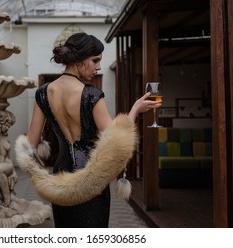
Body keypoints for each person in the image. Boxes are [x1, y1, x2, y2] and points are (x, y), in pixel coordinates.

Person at [18, 32, 161, 228]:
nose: (98, 67)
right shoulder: (92, 94)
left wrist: (40, 179)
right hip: (91, 179)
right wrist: (135, 109)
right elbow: (115, 141)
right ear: (78, 58)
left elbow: (30, 144)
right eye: (95, 60)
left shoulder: (43, 93)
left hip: (60, 177)